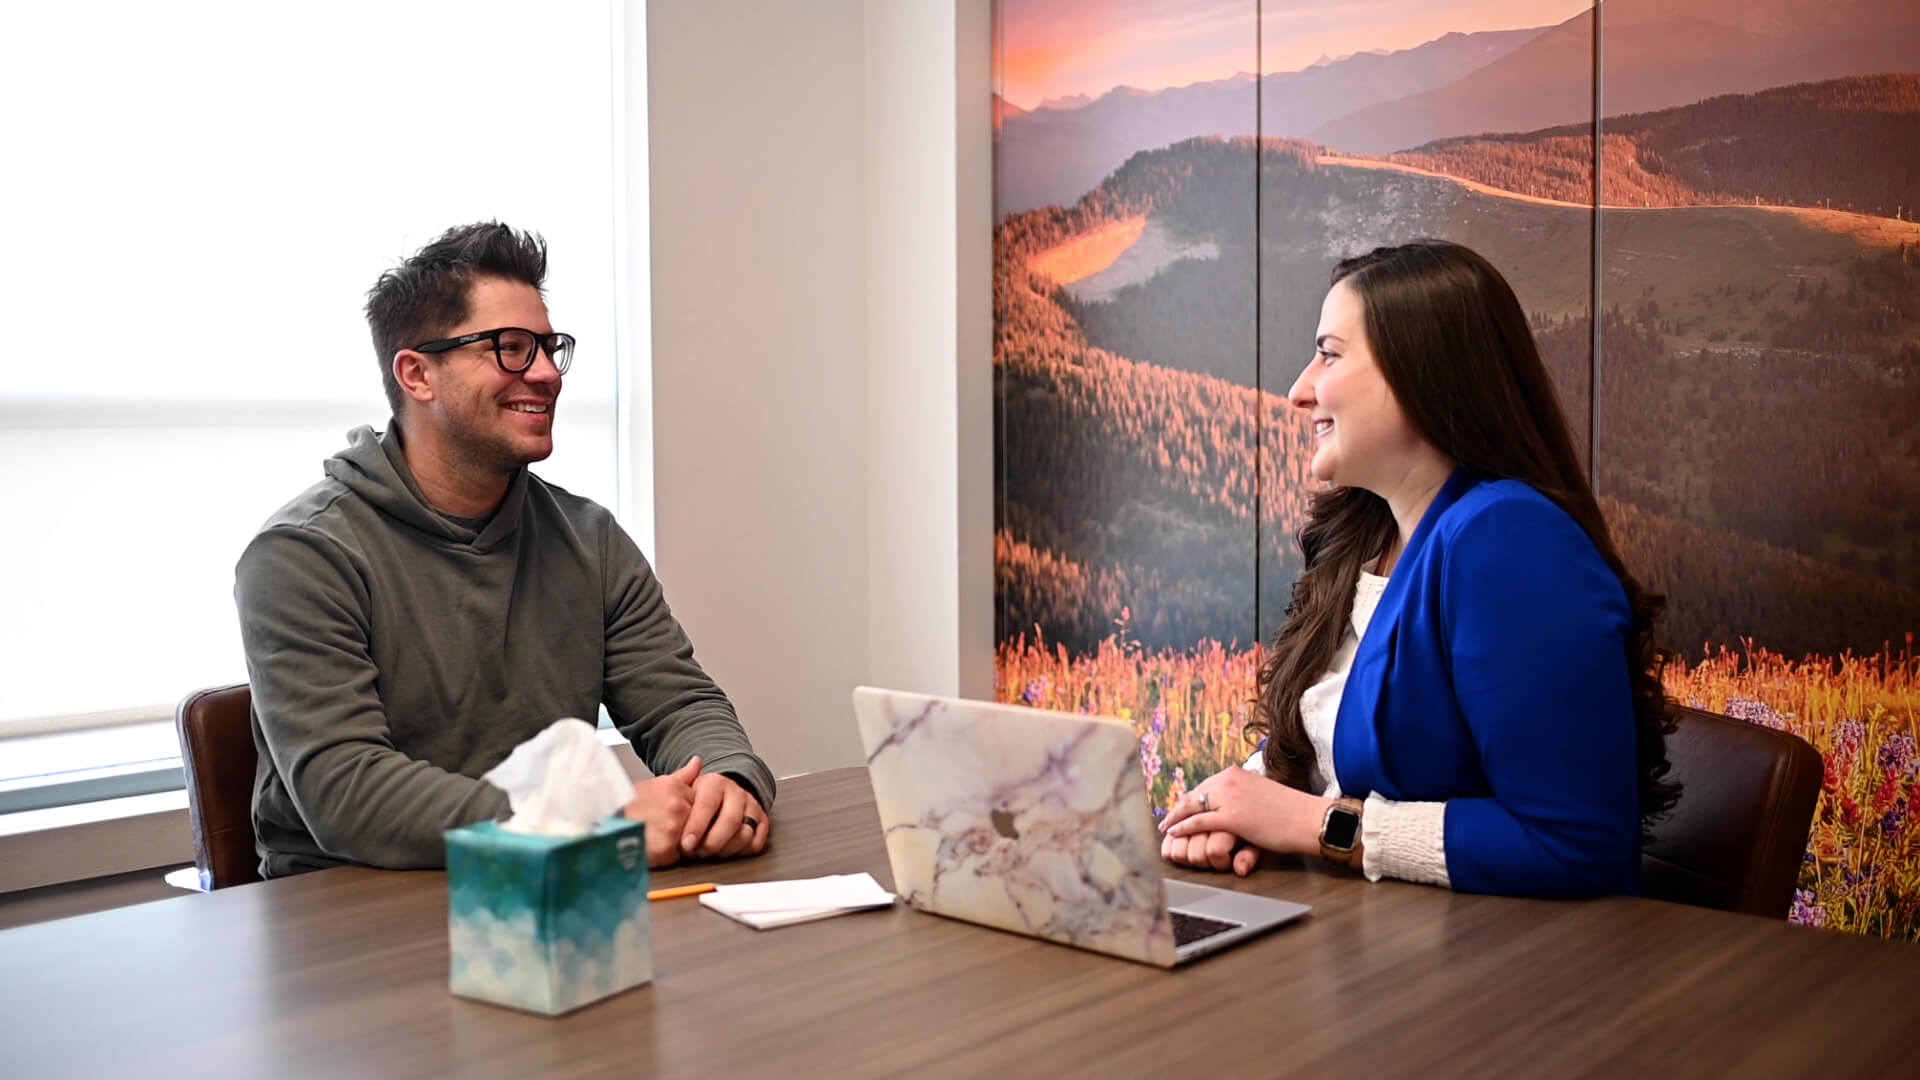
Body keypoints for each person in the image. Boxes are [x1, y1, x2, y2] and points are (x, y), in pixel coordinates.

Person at [235, 222, 773, 877]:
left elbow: (681, 706)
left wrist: (727, 782)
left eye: (549, 348)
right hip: (355, 916)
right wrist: (585, 825)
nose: (546, 373)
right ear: (417, 374)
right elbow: (349, 791)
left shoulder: (588, 539)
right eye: (511, 348)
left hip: (552, 898)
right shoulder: (303, 555)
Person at [1159, 239, 1677, 897]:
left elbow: (1576, 846)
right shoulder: (1368, 537)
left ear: (1423, 371)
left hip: (1502, 976)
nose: (1298, 390)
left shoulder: (1507, 539)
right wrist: (1238, 804)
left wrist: (1318, 825)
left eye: (1328, 354)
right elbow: (1325, 745)